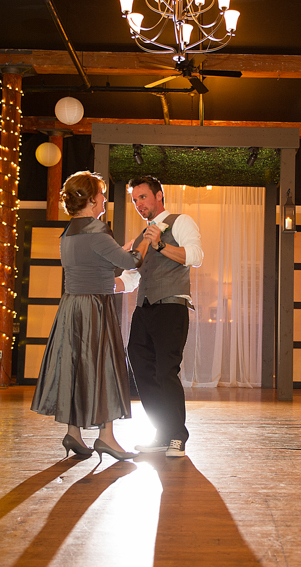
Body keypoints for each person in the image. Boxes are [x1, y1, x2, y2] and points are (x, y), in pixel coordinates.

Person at [31, 171, 151, 462]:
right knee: (103, 367)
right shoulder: (97, 230)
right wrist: (146, 238)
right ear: (91, 199)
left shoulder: (69, 231)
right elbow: (131, 261)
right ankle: (106, 437)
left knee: (77, 368)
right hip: (95, 308)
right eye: (101, 193)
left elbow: (93, 265)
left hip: (71, 307)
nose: (104, 198)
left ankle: (74, 432)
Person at [116, 176, 204, 457]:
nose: (139, 204)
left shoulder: (181, 221)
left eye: (143, 197)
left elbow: (196, 255)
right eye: (134, 200)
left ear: (158, 196)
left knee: (166, 371)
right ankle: (162, 433)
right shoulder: (140, 237)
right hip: (144, 309)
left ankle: (177, 436)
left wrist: (161, 246)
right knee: (140, 366)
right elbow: (130, 279)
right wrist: (98, 285)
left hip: (171, 307)